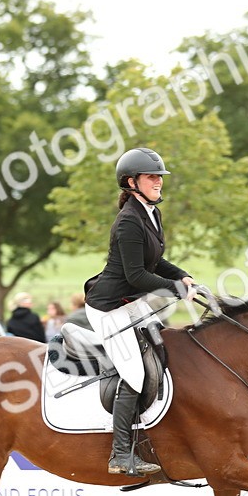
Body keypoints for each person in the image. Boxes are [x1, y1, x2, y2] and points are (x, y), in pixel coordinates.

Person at [84, 147, 197, 476]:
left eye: (160, 177)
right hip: (108, 308)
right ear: (131, 182)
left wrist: (181, 275)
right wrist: (176, 290)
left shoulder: (151, 213)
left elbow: (156, 261)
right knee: (135, 373)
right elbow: (136, 276)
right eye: (152, 177)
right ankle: (120, 454)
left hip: (130, 304)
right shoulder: (128, 222)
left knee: (161, 352)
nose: (159, 182)